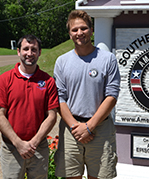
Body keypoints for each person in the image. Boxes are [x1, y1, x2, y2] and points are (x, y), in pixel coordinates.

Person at [54, 10, 121, 179]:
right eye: (74, 30)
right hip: (71, 130)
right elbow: (59, 97)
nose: (79, 33)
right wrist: (76, 128)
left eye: (83, 28)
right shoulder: (62, 62)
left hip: (100, 127)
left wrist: (89, 126)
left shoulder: (108, 59)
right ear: (69, 34)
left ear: (91, 30)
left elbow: (111, 96)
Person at [0, 34, 59, 179]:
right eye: (26, 49)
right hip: (11, 147)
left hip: (38, 147)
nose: (30, 53)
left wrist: (33, 143)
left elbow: (52, 115)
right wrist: (18, 143)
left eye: (34, 49)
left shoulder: (48, 81)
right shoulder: (5, 79)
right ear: (18, 52)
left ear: (39, 52)